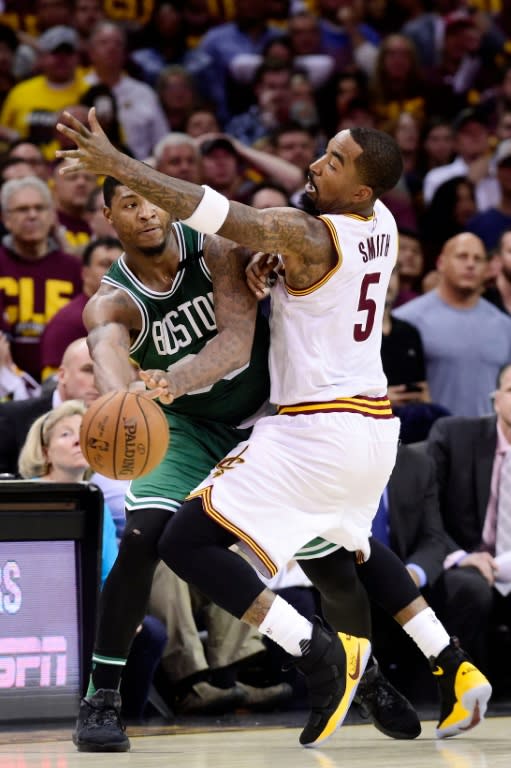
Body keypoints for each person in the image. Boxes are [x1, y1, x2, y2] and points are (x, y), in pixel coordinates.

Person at [57, 112, 492, 750]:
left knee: (310, 561)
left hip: (281, 422)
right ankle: (103, 697)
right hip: (234, 427)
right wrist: (126, 395)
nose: (148, 212)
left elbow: (234, 342)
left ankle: (344, 668)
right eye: (129, 201)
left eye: (155, 199)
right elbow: (108, 351)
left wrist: (173, 374)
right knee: (153, 537)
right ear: (107, 219)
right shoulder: (377, 224)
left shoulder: (241, 243)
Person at [17, 398, 168, 721]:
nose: (76, 440)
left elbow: (109, 575)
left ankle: (123, 719)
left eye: (83, 433)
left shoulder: (93, 498)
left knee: (149, 631)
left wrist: (125, 615)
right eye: (65, 434)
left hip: (84, 612)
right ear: (44, 451)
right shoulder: (22, 494)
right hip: (27, 612)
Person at [426, 363, 511, 681]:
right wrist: (463, 557)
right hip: (460, 558)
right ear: (495, 399)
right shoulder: (455, 435)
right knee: (471, 590)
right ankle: (464, 686)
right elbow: (426, 510)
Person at [394, 232, 511, 417]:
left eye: (478, 259)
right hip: (428, 440)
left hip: (488, 440)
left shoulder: (504, 326)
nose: (470, 264)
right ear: (441, 263)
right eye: (462, 256)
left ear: (487, 268)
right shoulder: (407, 320)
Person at [0, 337, 98, 474]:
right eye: (88, 370)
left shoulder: (119, 423)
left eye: (104, 372)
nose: (98, 381)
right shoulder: (12, 417)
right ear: (62, 375)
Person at [40, 237, 122, 380]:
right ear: (85, 273)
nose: (114, 271)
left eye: (121, 265)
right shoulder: (67, 322)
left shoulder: (138, 314)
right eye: (105, 264)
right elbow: (51, 385)